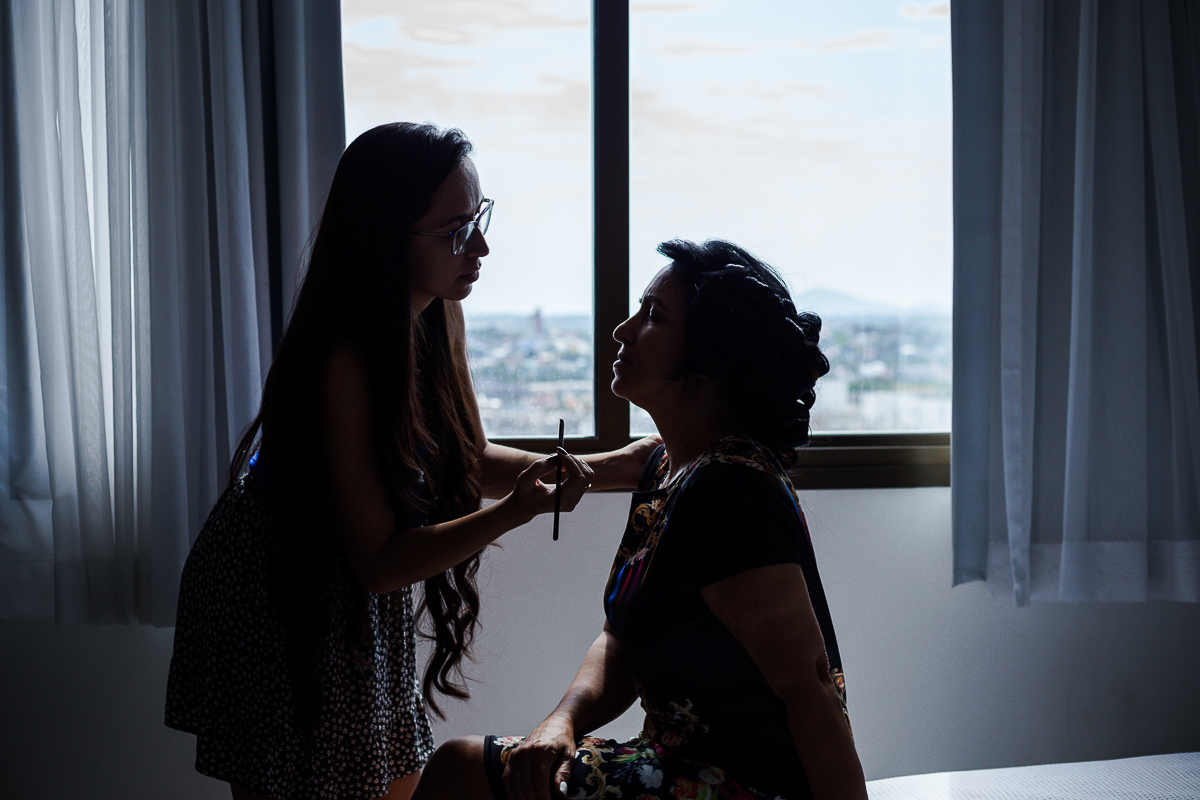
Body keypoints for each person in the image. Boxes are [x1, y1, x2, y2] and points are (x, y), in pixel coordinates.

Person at [165, 122, 658, 800]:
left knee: (386, 777)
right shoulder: (344, 358)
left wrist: (613, 469)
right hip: (286, 597)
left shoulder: (427, 316)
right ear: (384, 239)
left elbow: (461, 459)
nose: (481, 246)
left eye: (479, 218)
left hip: (348, 594)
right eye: (455, 230)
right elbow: (381, 561)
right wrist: (516, 511)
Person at [410, 239, 868, 800]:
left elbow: (811, 686)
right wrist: (562, 722)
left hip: (745, 787)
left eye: (654, 316)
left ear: (707, 360)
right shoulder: (666, 466)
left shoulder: (730, 490)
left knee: (460, 771)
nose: (622, 331)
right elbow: (620, 638)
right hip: (676, 763)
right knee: (471, 768)